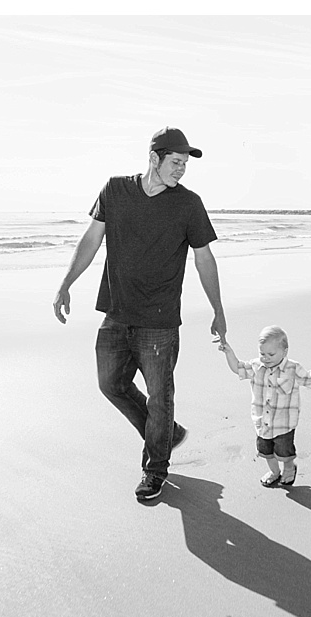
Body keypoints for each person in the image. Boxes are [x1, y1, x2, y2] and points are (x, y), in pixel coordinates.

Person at [53, 126, 227, 502]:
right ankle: (166, 434)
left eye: (185, 164)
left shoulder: (188, 204)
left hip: (160, 322)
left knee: (159, 398)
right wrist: (66, 283)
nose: (181, 170)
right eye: (176, 162)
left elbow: (204, 258)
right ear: (154, 158)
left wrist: (218, 309)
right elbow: (91, 238)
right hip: (116, 313)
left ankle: (155, 469)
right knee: (110, 384)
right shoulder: (115, 191)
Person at [219, 326, 311, 487]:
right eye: (262, 354)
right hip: (262, 422)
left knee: (284, 452)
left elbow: (310, 380)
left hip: (284, 424)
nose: (266, 358)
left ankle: (289, 468)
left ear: (284, 351)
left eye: (271, 354)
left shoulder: (292, 368)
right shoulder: (256, 366)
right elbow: (237, 367)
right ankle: (275, 472)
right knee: (266, 452)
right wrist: (229, 352)